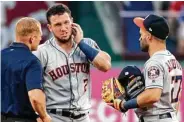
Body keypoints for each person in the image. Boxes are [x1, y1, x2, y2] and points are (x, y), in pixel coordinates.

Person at [33, 3, 111, 122]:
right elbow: (32, 89)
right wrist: (38, 116)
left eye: (66, 22)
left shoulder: (86, 44)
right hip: (55, 116)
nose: (63, 28)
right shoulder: (42, 52)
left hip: (84, 117)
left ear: (72, 22)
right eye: (58, 24)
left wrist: (81, 43)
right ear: (50, 27)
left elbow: (105, 66)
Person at [111, 14, 183, 122]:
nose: (140, 38)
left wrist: (125, 105)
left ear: (149, 36)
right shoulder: (174, 61)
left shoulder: (154, 63)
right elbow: (176, 102)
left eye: (142, 34)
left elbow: (153, 95)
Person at [1, 17, 51, 122]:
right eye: (39, 37)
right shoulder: (32, 61)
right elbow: (35, 97)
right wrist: (44, 116)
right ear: (32, 39)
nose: (40, 39)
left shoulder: (2, 55)